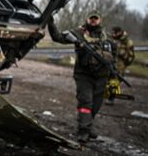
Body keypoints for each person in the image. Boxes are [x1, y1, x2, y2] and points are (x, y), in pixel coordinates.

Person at [47, 12, 116, 143]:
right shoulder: (78, 33)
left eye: (96, 19)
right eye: (91, 19)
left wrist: (113, 76)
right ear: (87, 19)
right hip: (84, 75)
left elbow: (114, 57)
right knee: (86, 103)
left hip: (102, 77)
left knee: (95, 105)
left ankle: (88, 127)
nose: (93, 21)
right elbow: (57, 37)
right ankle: (83, 131)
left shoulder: (107, 38)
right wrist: (51, 23)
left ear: (100, 20)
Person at [106, 26, 135, 105]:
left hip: (120, 66)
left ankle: (111, 98)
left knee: (114, 82)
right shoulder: (111, 40)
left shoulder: (127, 42)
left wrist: (124, 63)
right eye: (112, 33)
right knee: (107, 81)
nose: (113, 34)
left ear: (119, 32)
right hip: (109, 64)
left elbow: (131, 56)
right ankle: (108, 95)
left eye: (115, 33)